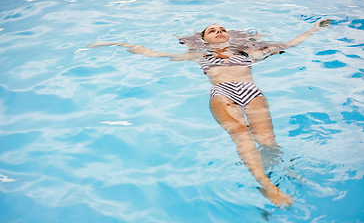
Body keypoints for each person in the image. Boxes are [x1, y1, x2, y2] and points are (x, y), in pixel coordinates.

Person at [87, 19, 332, 207]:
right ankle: (266, 185)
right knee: (242, 134)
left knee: (268, 141)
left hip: (252, 92)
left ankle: (282, 173)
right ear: (204, 39)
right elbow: (152, 53)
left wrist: (315, 28)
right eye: (211, 30)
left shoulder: (249, 53)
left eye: (222, 28)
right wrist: (117, 43)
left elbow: (289, 44)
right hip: (222, 94)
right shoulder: (199, 55)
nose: (218, 30)